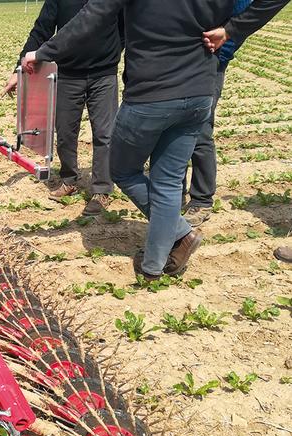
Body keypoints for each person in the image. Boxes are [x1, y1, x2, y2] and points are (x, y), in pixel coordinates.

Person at [21, 0, 236, 280]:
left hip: (152, 92)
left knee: (120, 168)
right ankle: (154, 267)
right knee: (169, 181)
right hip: (199, 91)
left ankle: (181, 232)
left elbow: (95, 15)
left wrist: (44, 52)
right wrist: (233, 30)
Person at [0, 0, 122, 216]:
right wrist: (18, 69)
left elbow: (125, 27)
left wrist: (110, 53)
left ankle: (102, 189)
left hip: (103, 74)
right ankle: (69, 180)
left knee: (105, 134)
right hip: (67, 74)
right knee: (65, 131)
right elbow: (41, 31)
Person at [202, 0, 291, 262]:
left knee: (200, 130)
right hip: (175, 56)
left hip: (210, 56)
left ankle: (200, 198)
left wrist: (226, 40)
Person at [183, 0, 253, 228]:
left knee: (201, 132)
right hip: (174, 63)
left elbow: (243, 16)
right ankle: (173, 194)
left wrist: (219, 58)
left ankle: (201, 200)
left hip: (208, 63)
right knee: (171, 130)